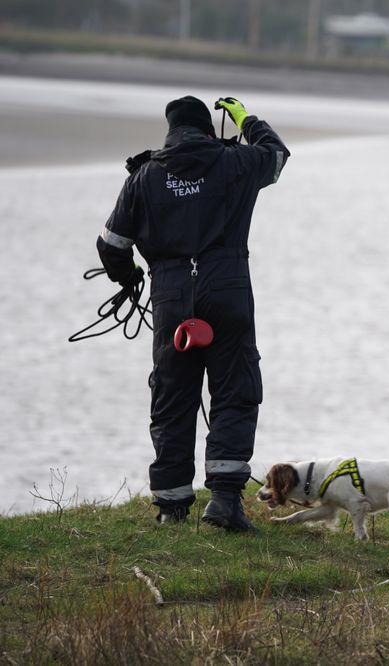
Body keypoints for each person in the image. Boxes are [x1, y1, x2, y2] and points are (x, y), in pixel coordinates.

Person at [96, 95, 289, 531]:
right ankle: (223, 502)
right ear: (209, 130)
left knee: (172, 395)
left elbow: (111, 246)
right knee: (234, 388)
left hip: (171, 296)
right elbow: (277, 156)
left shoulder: (144, 176)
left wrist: (129, 279)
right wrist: (247, 119)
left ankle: (171, 506)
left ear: (170, 132)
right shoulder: (234, 160)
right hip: (226, 288)